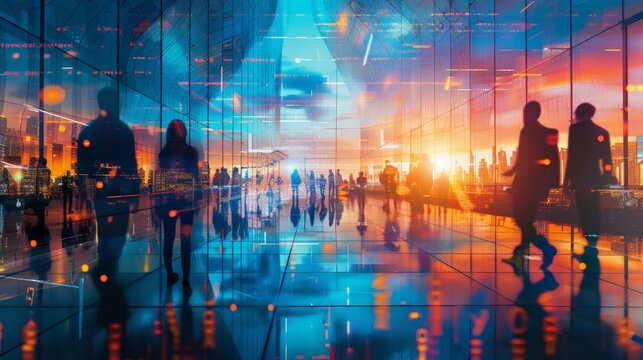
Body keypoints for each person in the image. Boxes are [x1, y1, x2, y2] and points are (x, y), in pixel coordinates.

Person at [77, 87, 139, 326]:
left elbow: (82, 167)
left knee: (109, 238)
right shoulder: (122, 131)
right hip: (117, 195)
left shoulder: (89, 131)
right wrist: (132, 193)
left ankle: (106, 285)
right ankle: (106, 281)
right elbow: (131, 165)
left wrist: (84, 195)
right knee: (116, 240)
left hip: (103, 196)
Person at [502, 101, 559, 273]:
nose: (525, 116)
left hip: (527, 183)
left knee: (522, 219)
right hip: (534, 184)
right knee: (525, 218)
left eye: (527, 113)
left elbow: (527, 158)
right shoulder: (546, 132)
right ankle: (519, 258)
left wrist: (513, 171)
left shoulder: (529, 130)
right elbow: (552, 160)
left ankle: (546, 248)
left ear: (533, 114)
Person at [156, 119, 199, 295]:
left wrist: (158, 203)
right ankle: (186, 279)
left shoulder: (164, 152)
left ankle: (169, 274)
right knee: (186, 241)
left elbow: (160, 179)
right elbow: (195, 176)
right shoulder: (191, 151)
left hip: (169, 202)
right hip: (186, 202)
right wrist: (197, 199)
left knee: (168, 239)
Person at [563, 103, 616, 246]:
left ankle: (589, 238)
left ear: (578, 114)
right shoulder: (602, 132)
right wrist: (608, 175)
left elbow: (572, 156)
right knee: (594, 207)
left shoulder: (574, 130)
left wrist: (566, 180)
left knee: (584, 210)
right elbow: (607, 158)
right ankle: (593, 238)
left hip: (579, 177)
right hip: (594, 177)